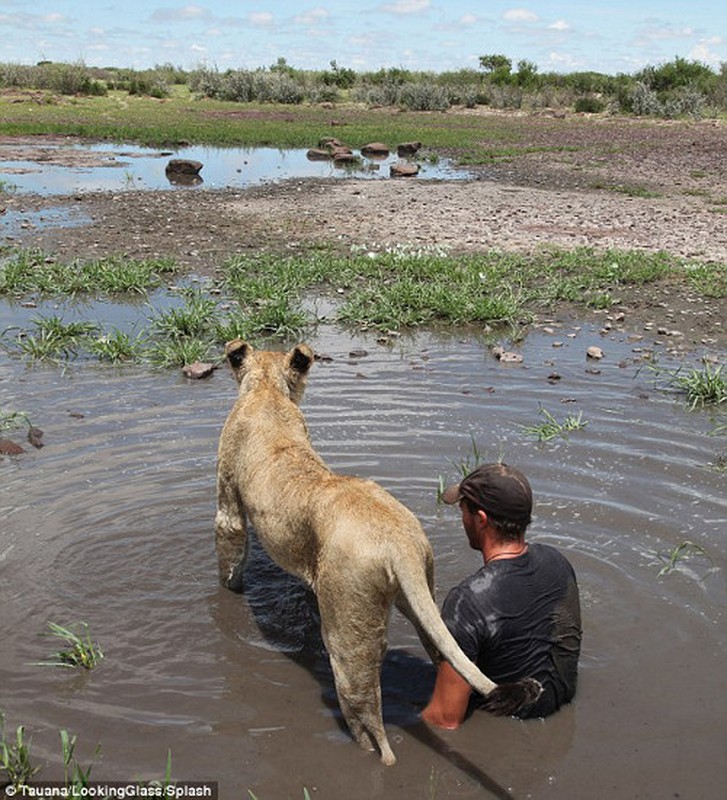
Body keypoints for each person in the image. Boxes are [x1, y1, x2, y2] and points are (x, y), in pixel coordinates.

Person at [422, 462, 581, 728]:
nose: (462, 520)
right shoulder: (558, 561)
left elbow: (445, 719)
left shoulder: (467, 601)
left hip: (507, 720)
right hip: (557, 702)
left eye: (463, 510)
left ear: (481, 520)